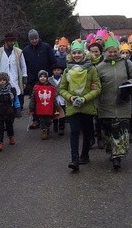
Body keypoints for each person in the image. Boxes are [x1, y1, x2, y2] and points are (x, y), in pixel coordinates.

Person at [96, 35, 132, 170]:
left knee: (120, 130)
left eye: (115, 51)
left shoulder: (127, 64)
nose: (113, 53)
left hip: (123, 102)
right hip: (106, 104)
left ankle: (117, 156)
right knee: (108, 131)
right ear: (105, 52)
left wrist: (130, 83)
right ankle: (112, 150)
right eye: (110, 51)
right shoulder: (99, 67)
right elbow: (95, 83)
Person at [59, 40, 101, 172]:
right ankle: (74, 160)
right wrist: (70, 97)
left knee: (87, 132)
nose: (77, 55)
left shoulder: (92, 69)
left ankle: (85, 155)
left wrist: (85, 98)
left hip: (87, 106)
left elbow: (97, 88)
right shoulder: (67, 70)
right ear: (71, 55)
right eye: (74, 53)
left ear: (84, 54)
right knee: (74, 131)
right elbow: (62, 88)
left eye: (79, 53)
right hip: (72, 106)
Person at [22, 29, 56, 128]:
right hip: (33, 79)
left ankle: (49, 118)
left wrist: (53, 74)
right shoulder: (26, 50)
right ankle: (36, 120)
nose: (34, 40)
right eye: (32, 39)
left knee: (47, 98)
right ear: (29, 40)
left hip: (46, 78)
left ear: (38, 37)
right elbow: (24, 65)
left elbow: (53, 60)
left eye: (36, 38)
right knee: (35, 100)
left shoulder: (46, 47)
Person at [0, 33, 27, 112]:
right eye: (10, 41)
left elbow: (23, 66)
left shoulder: (19, 52)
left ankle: (16, 111)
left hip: (15, 80)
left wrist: (24, 79)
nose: (12, 43)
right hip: (1, 82)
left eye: (13, 41)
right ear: (6, 41)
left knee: (15, 97)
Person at [0, 72, 17, 151]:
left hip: (9, 111)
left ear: (7, 80)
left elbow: (13, 100)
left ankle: (11, 136)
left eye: (4, 80)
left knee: (9, 125)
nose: (2, 82)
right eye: (0, 80)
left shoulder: (11, 90)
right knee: (0, 127)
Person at [29, 70, 57, 140]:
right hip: (40, 107)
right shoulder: (36, 87)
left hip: (48, 107)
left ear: (47, 77)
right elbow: (33, 98)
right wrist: (31, 107)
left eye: (44, 76)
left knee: (48, 121)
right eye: (41, 76)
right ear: (38, 78)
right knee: (42, 120)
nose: (42, 78)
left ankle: (47, 128)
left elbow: (53, 98)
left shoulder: (51, 87)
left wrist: (56, 106)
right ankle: (43, 131)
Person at [48, 63, 66, 135]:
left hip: (62, 99)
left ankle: (61, 128)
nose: (56, 71)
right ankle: (55, 125)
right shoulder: (49, 79)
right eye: (55, 70)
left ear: (61, 71)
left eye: (58, 70)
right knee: (55, 113)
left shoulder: (64, 78)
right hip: (54, 99)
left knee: (62, 114)